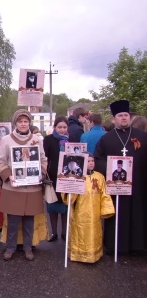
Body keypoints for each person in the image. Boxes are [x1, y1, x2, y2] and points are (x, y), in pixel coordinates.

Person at [94, 100, 147, 255]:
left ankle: (138, 245)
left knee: (138, 213)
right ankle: (115, 245)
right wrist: (109, 170)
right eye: (120, 116)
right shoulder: (106, 138)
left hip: (138, 184)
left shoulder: (142, 137)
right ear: (113, 119)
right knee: (117, 214)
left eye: (126, 115)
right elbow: (98, 159)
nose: (124, 118)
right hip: (116, 185)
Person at [0, 109, 47, 261]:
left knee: (29, 219)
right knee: (13, 219)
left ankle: (27, 247)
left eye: (26, 121)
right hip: (13, 185)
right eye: (20, 121)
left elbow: (43, 159)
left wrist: (41, 173)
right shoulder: (6, 139)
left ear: (29, 123)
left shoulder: (38, 139)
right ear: (15, 123)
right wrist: (8, 176)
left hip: (32, 186)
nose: (23, 124)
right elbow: (0, 161)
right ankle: (10, 248)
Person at [62, 153, 115, 263]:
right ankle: (78, 254)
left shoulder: (99, 176)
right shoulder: (76, 176)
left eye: (92, 161)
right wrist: (69, 191)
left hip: (94, 212)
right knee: (79, 232)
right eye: (88, 161)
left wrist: (105, 210)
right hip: (79, 212)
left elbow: (105, 194)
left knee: (94, 233)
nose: (91, 163)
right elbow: (68, 197)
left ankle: (94, 254)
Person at [43, 116, 69, 242]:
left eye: (64, 127)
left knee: (64, 205)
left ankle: (64, 232)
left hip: (67, 177)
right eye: (60, 127)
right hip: (52, 177)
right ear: (55, 128)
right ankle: (54, 232)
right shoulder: (48, 139)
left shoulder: (71, 140)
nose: (62, 130)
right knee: (52, 205)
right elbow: (45, 157)